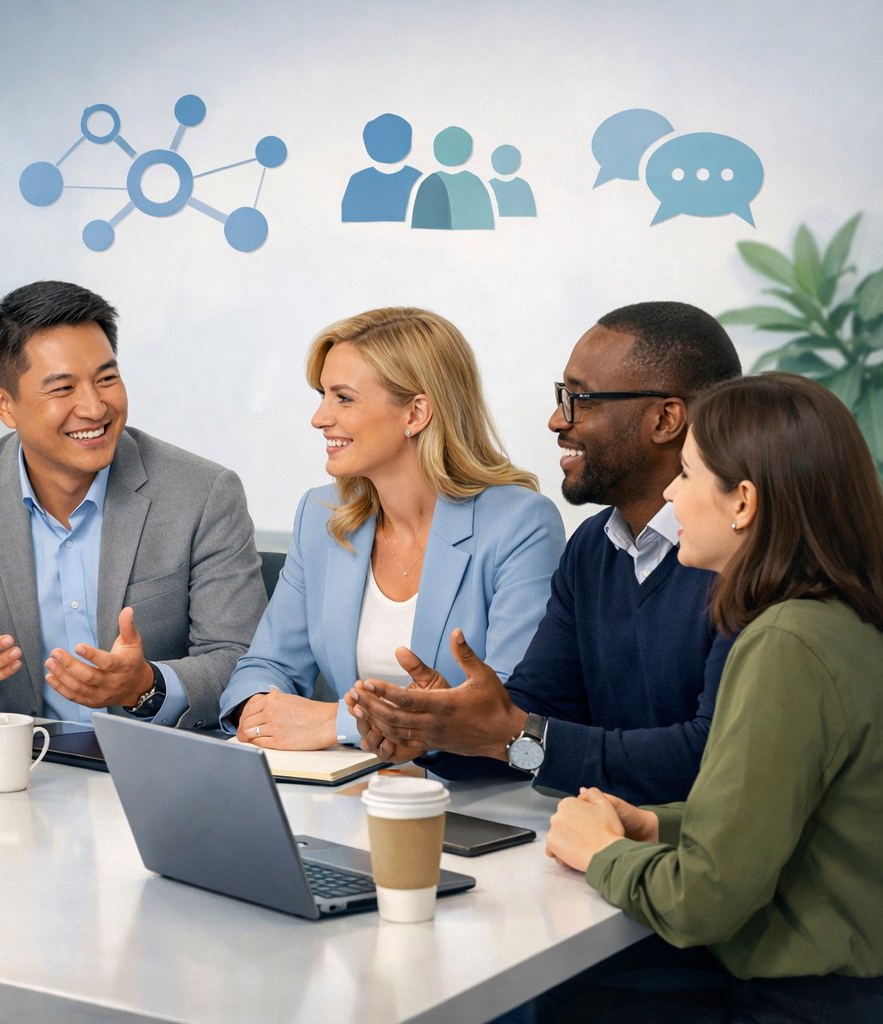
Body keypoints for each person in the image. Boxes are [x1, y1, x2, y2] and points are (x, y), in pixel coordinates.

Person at [546, 373, 883, 1020]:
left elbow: (703, 899)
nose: (670, 493)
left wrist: (602, 855)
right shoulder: (844, 620)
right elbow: (801, 823)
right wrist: (658, 825)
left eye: (689, 475)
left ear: (744, 502)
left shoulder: (786, 641)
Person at [349, 301, 741, 804]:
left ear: (665, 419)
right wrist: (439, 728)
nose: (558, 419)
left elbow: (710, 756)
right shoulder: (593, 547)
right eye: (563, 396)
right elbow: (539, 714)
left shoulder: (745, 560)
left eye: (581, 398)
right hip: (598, 843)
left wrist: (509, 735)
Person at [0, 280, 267, 727]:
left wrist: (146, 686)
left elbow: (241, 659)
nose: (94, 407)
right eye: (62, 388)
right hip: (19, 770)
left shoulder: (202, 493)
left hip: (156, 770)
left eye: (106, 378)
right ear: (4, 405)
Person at [218, 307, 564, 749]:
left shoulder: (521, 524)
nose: (320, 417)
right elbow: (267, 665)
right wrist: (259, 710)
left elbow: (505, 711)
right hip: (348, 786)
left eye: (343, 398)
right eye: (323, 395)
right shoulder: (321, 515)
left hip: (469, 797)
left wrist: (336, 723)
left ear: (416, 413)